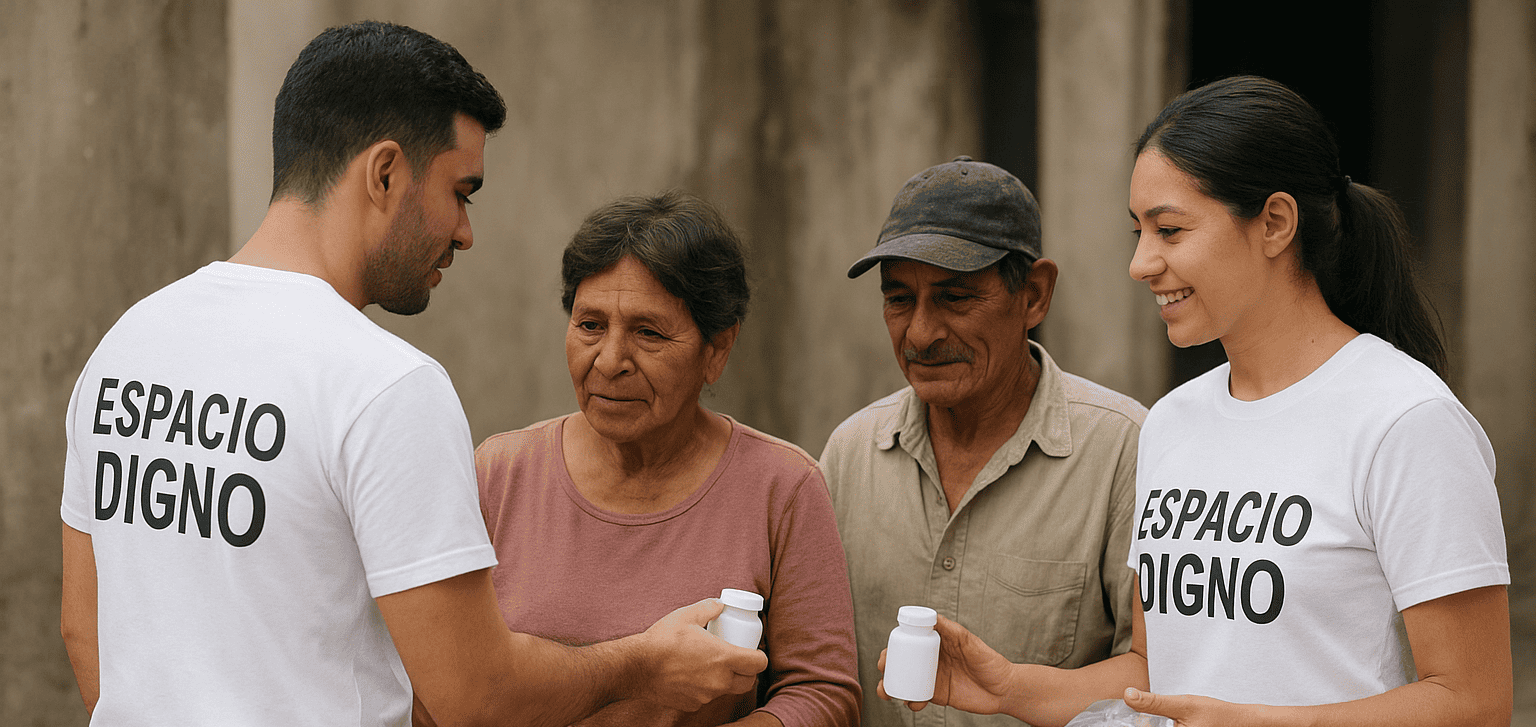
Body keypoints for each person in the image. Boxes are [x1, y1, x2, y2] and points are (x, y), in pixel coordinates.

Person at [59, 22, 764, 727]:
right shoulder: (384, 386)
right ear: (386, 172)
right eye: (462, 191)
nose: (464, 231)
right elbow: (477, 695)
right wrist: (644, 660)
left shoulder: (127, 346)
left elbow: (85, 630)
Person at [881, 76, 1511, 727]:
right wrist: (1010, 685)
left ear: (1274, 222)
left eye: (1170, 230)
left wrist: (1269, 723)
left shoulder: (1406, 420)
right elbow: (1155, 670)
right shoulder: (1173, 422)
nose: (1141, 263)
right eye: (1138, 232)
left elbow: (1473, 699)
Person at [474, 190, 862, 727]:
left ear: (717, 349)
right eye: (589, 326)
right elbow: (446, 677)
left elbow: (822, 693)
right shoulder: (500, 474)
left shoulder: (782, 487)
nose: (610, 361)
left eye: (648, 333)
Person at [820, 156, 1147, 726]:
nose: (921, 334)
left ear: (1035, 296)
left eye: (954, 297)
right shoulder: (849, 456)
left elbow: (1153, 676)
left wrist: (1017, 690)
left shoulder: (1125, 451)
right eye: (899, 299)